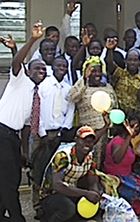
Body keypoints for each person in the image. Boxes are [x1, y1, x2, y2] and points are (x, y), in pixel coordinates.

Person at [0, 22, 47, 222]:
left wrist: (24, 151)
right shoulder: (20, 80)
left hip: (13, 138)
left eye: (44, 70)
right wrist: (33, 39)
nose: (41, 71)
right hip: (1, 132)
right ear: (29, 70)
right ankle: (17, 218)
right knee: (10, 181)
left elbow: (28, 126)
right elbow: (17, 63)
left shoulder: (36, 95)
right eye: (37, 68)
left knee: (10, 179)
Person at [31, 56, 76, 216]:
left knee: (55, 171)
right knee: (39, 170)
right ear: (53, 67)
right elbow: (37, 110)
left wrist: (64, 129)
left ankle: (52, 203)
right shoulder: (44, 86)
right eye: (59, 65)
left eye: (64, 65)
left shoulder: (68, 88)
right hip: (44, 134)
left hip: (60, 134)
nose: (62, 68)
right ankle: (38, 205)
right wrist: (43, 134)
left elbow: (70, 109)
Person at [38, 126, 104, 221]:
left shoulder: (89, 156)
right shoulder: (63, 156)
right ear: (76, 140)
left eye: (90, 141)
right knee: (68, 209)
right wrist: (86, 194)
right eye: (83, 140)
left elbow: (93, 179)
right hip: (50, 194)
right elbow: (57, 186)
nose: (87, 144)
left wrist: (94, 192)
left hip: (71, 191)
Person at [69, 56, 119, 166]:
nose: (97, 74)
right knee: (89, 162)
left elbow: (115, 106)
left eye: (99, 71)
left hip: (106, 132)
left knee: (103, 162)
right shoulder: (82, 86)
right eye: (93, 71)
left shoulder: (108, 87)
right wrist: (84, 79)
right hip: (88, 134)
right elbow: (72, 97)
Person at [103, 116, 140, 215]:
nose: (135, 129)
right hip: (117, 179)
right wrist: (129, 136)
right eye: (132, 126)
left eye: (137, 126)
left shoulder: (129, 141)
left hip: (128, 175)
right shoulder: (118, 140)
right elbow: (117, 159)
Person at [104, 37, 140, 115]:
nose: (132, 62)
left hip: (136, 115)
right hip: (119, 114)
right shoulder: (120, 73)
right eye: (130, 60)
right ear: (125, 61)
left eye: (135, 60)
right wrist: (109, 50)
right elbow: (110, 63)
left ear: (139, 62)